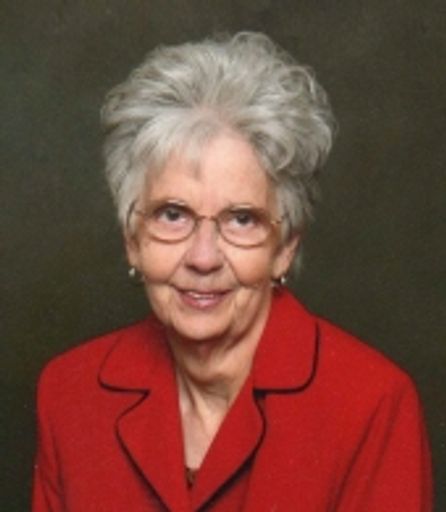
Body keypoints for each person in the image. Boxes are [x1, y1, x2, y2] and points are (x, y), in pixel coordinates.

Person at [32, 32, 432, 511]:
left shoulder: (371, 403)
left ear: (285, 247)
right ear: (131, 239)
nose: (203, 258)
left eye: (242, 219)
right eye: (172, 214)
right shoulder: (70, 394)